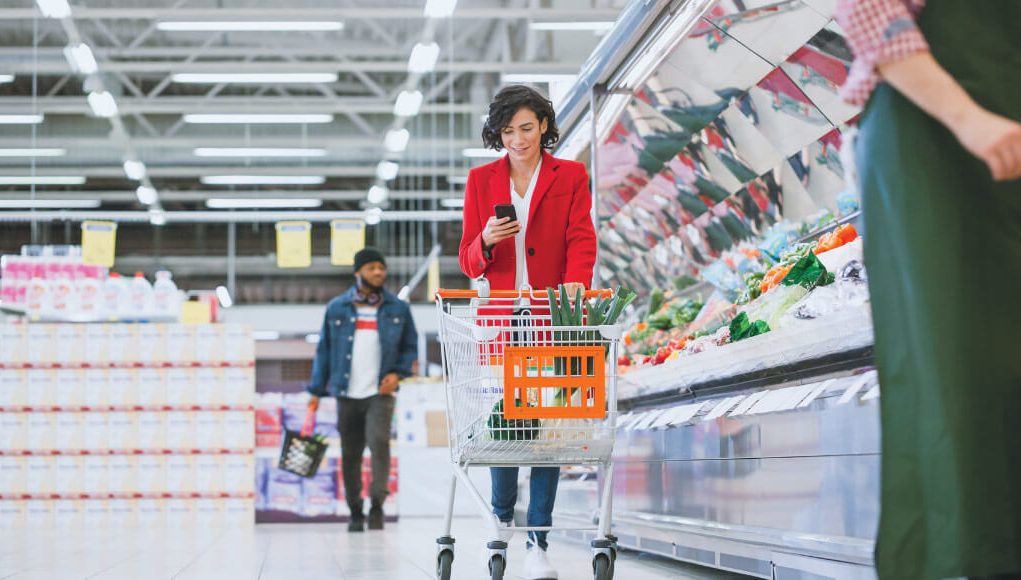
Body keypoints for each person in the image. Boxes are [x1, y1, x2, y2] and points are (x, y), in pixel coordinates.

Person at [836, 1, 1021, 579]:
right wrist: (967, 118)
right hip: (933, 135)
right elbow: (871, 15)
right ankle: (968, 561)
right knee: (955, 365)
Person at [458, 85, 597, 580]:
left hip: (549, 316)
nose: (517, 139)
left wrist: (574, 290)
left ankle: (538, 541)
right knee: (506, 426)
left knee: (547, 432)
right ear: (497, 133)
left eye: (526, 127)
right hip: (498, 317)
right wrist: (486, 241)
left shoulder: (571, 175)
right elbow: (467, 258)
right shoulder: (481, 180)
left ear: (543, 126)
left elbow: (581, 237)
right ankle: (500, 521)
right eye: (507, 130)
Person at [307, 247, 418, 532]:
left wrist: (398, 374)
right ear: (358, 272)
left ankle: (377, 506)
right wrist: (316, 391)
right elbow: (324, 351)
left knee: (379, 444)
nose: (379, 272)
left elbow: (410, 347)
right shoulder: (337, 308)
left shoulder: (398, 308)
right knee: (350, 452)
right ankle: (355, 510)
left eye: (382, 267)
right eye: (372, 268)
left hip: (380, 393)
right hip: (346, 392)